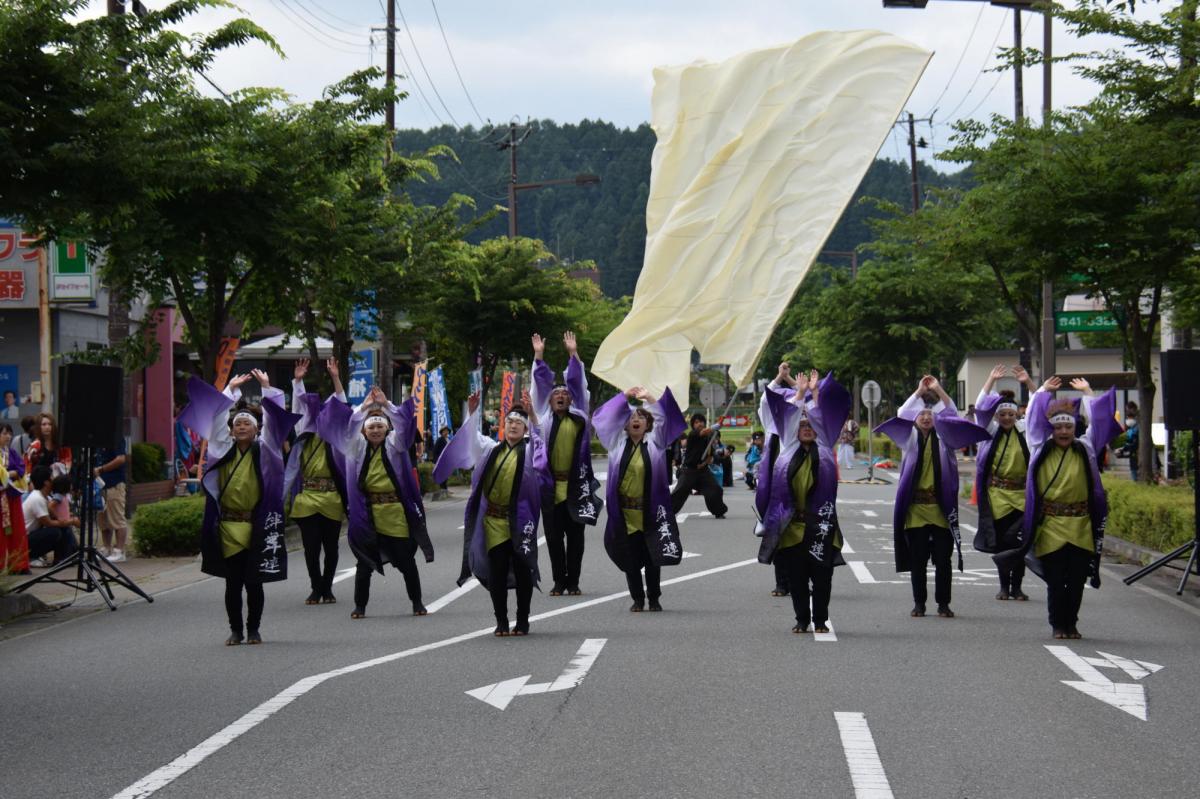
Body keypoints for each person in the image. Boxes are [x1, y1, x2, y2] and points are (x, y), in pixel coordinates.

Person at [178, 370, 298, 646]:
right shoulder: (222, 450)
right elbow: (217, 422)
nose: (242, 426)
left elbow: (275, 427)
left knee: (254, 582)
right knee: (233, 583)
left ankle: (254, 628)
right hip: (228, 526)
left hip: (255, 524)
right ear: (231, 431)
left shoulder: (265, 452)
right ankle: (235, 629)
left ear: (256, 429)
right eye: (238, 424)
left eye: (247, 423)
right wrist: (230, 391)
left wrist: (267, 389)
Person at [998, 377, 1120, 639]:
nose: (1064, 432)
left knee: (1076, 580)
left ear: (1074, 429)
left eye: (1069, 427)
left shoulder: (1085, 449)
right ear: (1051, 430)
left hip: (1080, 525)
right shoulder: (1039, 448)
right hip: (1051, 525)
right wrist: (1041, 390)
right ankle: (1057, 624)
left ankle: (1072, 622)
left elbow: (1100, 424)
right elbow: (1031, 421)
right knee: (1055, 580)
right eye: (1059, 427)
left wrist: (1088, 392)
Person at [434, 390, 548, 637]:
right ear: (503, 426)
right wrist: (472, 413)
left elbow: (542, 456)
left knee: (523, 569)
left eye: (519, 422)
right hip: (494, 521)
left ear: (526, 428)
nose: (514, 426)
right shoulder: (490, 449)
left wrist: (534, 416)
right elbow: (470, 440)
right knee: (496, 570)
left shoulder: (529, 451)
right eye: (510, 422)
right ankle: (501, 621)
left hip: (520, 520)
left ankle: (523, 619)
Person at [876, 376, 989, 619]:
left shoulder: (945, 438)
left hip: (941, 508)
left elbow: (951, 412)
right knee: (917, 560)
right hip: (916, 508)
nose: (926, 417)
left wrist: (937, 389)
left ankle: (943, 603)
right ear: (915, 419)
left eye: (930, 414)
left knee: (943, 560)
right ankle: (919, 603)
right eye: (922, 415)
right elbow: (903, 411)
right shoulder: (908, 438)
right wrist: (918, 391)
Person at [319, 383, 433, 620]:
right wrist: (365, 407)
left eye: (380, 426)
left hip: (394, 512)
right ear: (365, 431)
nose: (376, 430)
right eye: (371, 427)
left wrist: (387, 405)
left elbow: (404, 426)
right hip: (367, 513)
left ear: (386, 429)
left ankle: (417, 602)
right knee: (364, 563)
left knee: (406, 562)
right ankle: (360, 606)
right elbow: (350, 429)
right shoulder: (357, 447)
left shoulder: (394, 445)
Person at [759, 368, 851, 634]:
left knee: (822, 577)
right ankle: (802, 619)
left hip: (820, 525)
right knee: (797, 578)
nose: (807, 429)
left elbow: (821, 419)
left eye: (811, 425)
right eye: (802, 426)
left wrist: (815, 393)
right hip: (793, 527)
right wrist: (799, 393)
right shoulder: (788, 448)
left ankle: (820, 619)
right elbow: (788, 418)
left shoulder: (824, 448)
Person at [593, 385, 686, 612]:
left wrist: (650, 399)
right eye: (631, 417)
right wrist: (624, 397)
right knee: (630, 556)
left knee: (653, 555)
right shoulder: (615, 443)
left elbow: (665, 419)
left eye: (641, 417)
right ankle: (637, 598)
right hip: (624, 512)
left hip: (650, 511)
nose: (636, 420)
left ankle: (654, 597)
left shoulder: (655, 443)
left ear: (647, 424)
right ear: (624, 424)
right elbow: (605, 418)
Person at [530, 332, 602, 597]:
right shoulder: (542, 420)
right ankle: (559, 581)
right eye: (555, 393)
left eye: (564, 393)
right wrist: (539, 355)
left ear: (571, 399)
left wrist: (574, 354)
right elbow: (538, 384)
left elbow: (578, 383)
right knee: (552, 539)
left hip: (576, 487)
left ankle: (574, 582)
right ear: (548, 400)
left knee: (577, 538)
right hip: (549, 488)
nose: (560, 395)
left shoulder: (580, 416)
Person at [285, 357, 349, 606]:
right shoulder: (304, 435)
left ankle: (327, 587)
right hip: (308, 498)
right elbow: (299, 408)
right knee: (311, 547)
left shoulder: (336, 437)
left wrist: (335, 377)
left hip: (331, 497)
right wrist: (298, 381)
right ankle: (315, 587)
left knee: (331, 546)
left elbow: (342, 405)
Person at [972, 364, 1038, 601]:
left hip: (1022, 495)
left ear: (1017, 415)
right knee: (1001, 543)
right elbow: (981, 407)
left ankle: (1017, 586)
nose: (1008, 418)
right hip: (997, 496)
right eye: (1003, 415)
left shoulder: (1025, 432)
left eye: (1011, 414)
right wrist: (990, 379)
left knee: (1019, 543)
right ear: (997, 416)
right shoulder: (989, 431)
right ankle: (1003, 586)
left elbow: (1038, 408)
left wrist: (1028, 382)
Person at [670, 413, 728, 518]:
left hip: (702, 471)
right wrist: (717, 425)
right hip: (689, 471)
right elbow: (703, 431)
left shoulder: (709, 438)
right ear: (693, 425)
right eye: (696, 422)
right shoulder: (693, 434)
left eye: (701, 421)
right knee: (679, 493)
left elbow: (710, 457)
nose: (700, 424)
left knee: (715, 489)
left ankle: (719, 511)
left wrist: (704, 464)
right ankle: (667, 513)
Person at [22, 465, 78, 567]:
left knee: (63, 529)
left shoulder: (45, 497)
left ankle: (62, 559)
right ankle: (30, 557)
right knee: (55, 532)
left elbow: (55, 518)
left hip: (31, 537)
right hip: (24, 541)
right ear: (46, 482)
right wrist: (71, 521)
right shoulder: (36, 498)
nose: (54, 479)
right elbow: (48, 522)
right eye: (51, 477)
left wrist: (66, 519)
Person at [1, 423, 30, 573]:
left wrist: (8, 473)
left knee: (18, 530)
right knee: (2, 532)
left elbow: (21, 468)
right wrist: (9, 473)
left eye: (9, 433)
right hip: (1, 497)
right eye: (4, 433)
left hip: (12, 496)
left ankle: (19, 565)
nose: (8, 436)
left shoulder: (11, 452)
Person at [94, 438, 129, 563]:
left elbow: (121, 458)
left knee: (117, 517)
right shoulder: (98, 438)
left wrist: (101, 469)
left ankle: (119, 550)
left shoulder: (117, 436)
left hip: (114, 482)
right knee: (103, 518)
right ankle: (107, 547)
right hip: (100, 484)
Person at [24, 412, 71, 477]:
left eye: (50, 424)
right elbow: (27, 468)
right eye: (44, 424)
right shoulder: (33, 447)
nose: (47, 427)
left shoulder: (61, 446)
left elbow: (67, 465)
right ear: (38, 427)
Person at [1121, 400, 1140, 481]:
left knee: (1134, 466)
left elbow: (1132, 438)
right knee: (1133, 466)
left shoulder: (1138, 423)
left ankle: (1136, 480)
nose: (1127, 412)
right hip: (1133, 449)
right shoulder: (1131, 425)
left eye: (1128, 410)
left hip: (1136, 449)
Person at [431, 426, 451, 490]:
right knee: (442, 474)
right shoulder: (440, 439)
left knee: (446, 474)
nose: (446, 432)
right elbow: (435, 450)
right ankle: (443, 488)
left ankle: (445, 488)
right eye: (444, 431)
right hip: (440, 460)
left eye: (447, 431)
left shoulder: (448, 439)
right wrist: (436, 460)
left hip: (446, 460)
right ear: (442, 432)